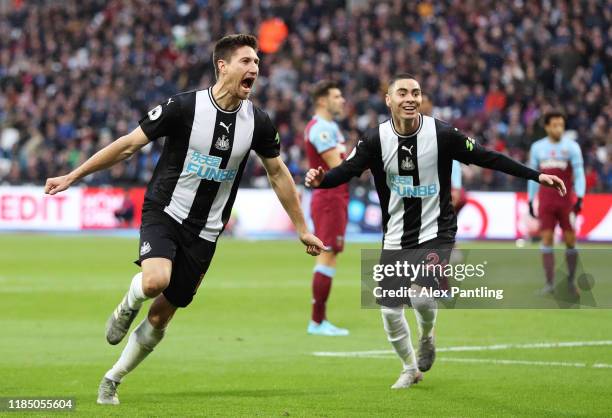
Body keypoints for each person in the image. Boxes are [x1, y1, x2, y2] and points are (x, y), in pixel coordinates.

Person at [44, 34, 324, 405]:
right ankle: (128, 304)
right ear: (222, 66)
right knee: (155, 279)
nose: (254, 69)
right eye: (246, 61)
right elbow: (128, 145)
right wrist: (72, 176)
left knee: (161, 318)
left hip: (206, 232)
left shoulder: (258, 122)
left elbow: (278, 174)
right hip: (165, 210)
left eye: (257, 63)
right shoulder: (183, 108)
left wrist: (302, 228)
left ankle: (113, 377)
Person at [305, 73, 566, 389]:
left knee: (421, 297)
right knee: (389, 310)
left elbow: (487, 157)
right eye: (402, 92)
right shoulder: (374, 139)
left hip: (437, 229)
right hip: (396, 233)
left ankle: (427, 335)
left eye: (415, 92)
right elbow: (344, 171)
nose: (411, 98)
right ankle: (409, 368)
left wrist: (536, 176)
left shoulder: (441, 133)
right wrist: (322, 180)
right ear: (389, 100)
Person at [304, 81, 350, 336]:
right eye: (337, 96)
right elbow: (336, 164)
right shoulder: (320, 128)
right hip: (329, 198)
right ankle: (317, 321)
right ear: (322, 101)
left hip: (337, 196)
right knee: (327, 254)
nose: (342, 100)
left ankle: (319, 320)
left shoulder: (330, 127)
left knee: (331, 254)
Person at [528, 111, 585, 296]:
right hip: (546, 203)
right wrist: (530, 199)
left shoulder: (572, 147)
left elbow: (579, 174)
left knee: (570, 241)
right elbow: (531, 176)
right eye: (555, 125)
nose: (559, 128)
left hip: (565, 203)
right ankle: (550, 284)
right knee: (547, 241)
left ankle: (570, 281)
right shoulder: (537, 148)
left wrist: (581, 197)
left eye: (561, 125)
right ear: (547, 127)